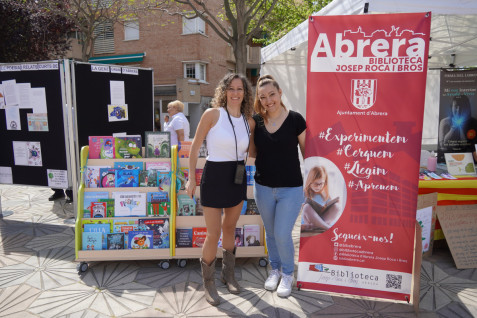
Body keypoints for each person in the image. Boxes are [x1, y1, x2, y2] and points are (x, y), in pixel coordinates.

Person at [185, 73, 254, 306]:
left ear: (245, 93)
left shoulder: (248, 120)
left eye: (240, 89)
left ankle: (228, 274)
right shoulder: (212, 114)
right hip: (214, 176)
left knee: (230, 227)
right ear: (224, 91)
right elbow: (194, 148)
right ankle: (209, 283)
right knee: (213, 233)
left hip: (237, 176)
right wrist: (190, 179)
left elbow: (253, 151)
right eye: (231, 89)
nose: (236, 93)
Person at [250, 74, 306, 298]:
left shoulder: (295, 119)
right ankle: (275, 270)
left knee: (283, 233)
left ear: (280, 92)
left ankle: (288, 274)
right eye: (262, 97)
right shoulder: (256, 121)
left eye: (272, 94)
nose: (268, 100)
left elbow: (307, 152)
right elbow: (251, 153)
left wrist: (315, 182)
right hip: (263, 187)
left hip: (291, 188)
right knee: (271, 233)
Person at [301, 166, 341, 232]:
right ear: (310, 181)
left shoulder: (325, 194)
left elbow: (330, 212)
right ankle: (327, 228)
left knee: (337, 207)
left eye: (321, 183)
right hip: (308, 221)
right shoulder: (303, 193)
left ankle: (315, 227)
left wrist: (334, 204)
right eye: (316, 183)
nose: (318, 186)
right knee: (306, 207)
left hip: (321, 220)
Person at [438, 94, 477, 161]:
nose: (458, 110)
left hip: (467, 158)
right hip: (447, 158)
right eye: (455, 106)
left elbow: (467, 146)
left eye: (461, 107)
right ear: (451, 107)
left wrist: (460, 127)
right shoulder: (444, 122)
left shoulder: (473, 122)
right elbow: (443, 145)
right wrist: (454, 127)